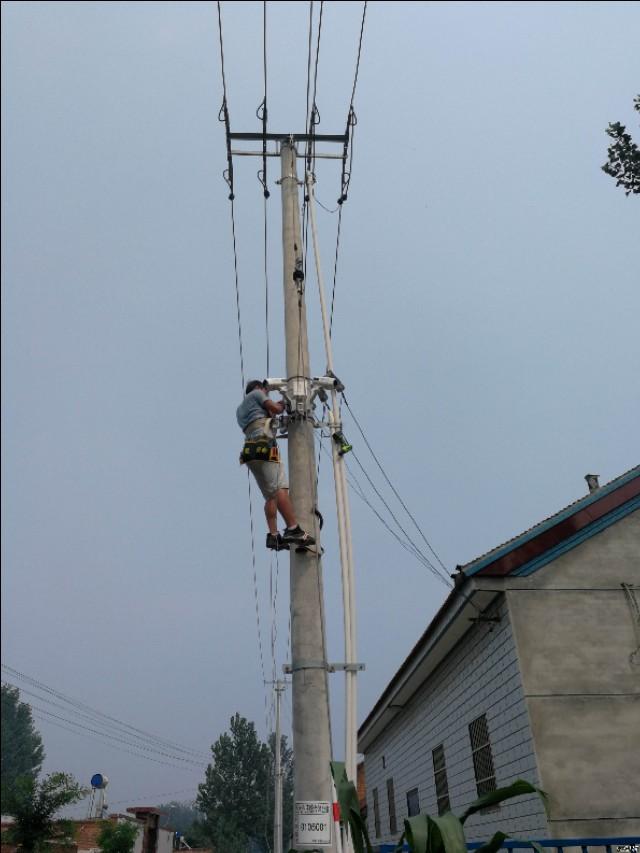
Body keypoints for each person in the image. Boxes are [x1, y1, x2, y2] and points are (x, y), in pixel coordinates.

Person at [237, 380, 316, 551]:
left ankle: (274, 536)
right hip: (265, 443)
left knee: (271, 496)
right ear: (259, 389)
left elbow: (264, 416)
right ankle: (293, 529)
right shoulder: (257, 394)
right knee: (279, 489)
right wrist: (283, 403)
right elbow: (276, 410)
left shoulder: (240, 410)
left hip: (250, 451)